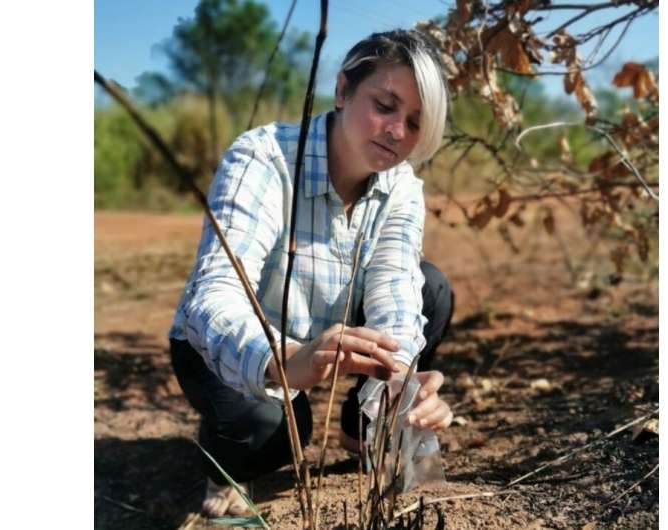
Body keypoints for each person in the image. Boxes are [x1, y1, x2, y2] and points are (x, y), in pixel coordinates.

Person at [168, 28, 455, 517]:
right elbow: (213, 296)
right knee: (274, 432)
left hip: (329, 342)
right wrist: (288, 361)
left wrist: (402, 383)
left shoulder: (401, 186)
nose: (396, 131)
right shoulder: (264, 157)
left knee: (430, 287)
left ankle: (358, 427)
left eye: (414, 122)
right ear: (343, 90)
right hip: (242, 349)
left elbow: (396, 291)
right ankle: (227, 465)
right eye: (385, 105)